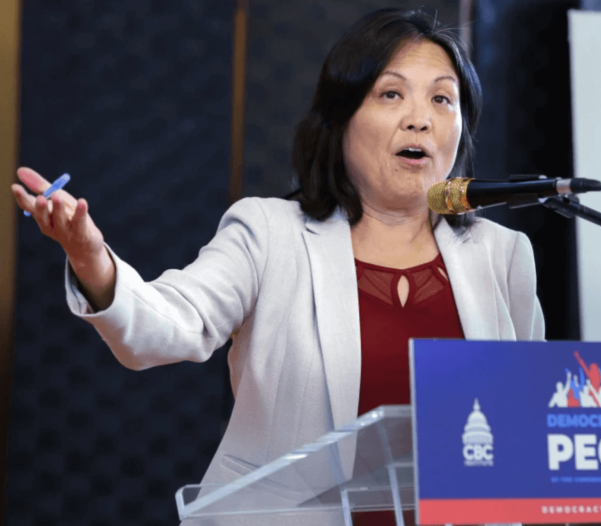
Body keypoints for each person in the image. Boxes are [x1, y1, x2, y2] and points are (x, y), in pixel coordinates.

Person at [11, 7, 545, 525]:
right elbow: (168, 324)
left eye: (442, 99)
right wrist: (91, 258)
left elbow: (530, 433)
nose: (420, 119)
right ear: (341, 118)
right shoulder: (269, 236)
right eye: (391, 94)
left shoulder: (501, 256)